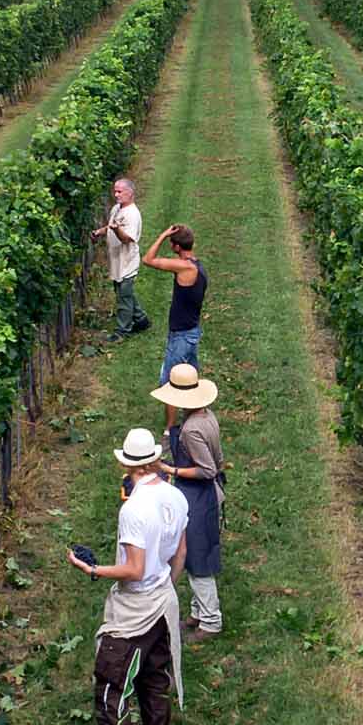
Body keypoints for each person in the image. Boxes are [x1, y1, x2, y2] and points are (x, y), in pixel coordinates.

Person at [68, 427, 187, 725]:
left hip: (134, 610)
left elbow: (133, 570)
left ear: (125, 464)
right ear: (153, 460)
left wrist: (93, 569)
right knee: (154, 681)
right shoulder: (175, 495)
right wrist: (164, 586)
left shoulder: (133, 509)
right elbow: (180, 554)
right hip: (163, 604)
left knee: (110, 691)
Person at [153, 363, 225, 641]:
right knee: (199, 551)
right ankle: (198, 612)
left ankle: (210, 621)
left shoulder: (191, 431)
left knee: (197, 558)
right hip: (206, 494)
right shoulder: (207, 416)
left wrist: (170, 470)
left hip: (198, 496)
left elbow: (206, 469)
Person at [144, 223, 206, 390]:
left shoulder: (184, 267)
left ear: (177, 246)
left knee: (168, 385)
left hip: (181, 335)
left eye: (171, 242)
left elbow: (148, 259)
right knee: (191, 381)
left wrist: (163, 235)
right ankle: (196, 414)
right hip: (192, 330)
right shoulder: (196, 265)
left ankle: (171, 418)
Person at [91, 178, 151, 343]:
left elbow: (126, 239)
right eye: (115, 191)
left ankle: (121, 331)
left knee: (123, 296)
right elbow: (111, 226)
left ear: (130, 193)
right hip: (117, 260)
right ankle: (141, 320)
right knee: (124, 293)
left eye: (119, 191)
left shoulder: (133, 214)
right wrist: (99, 232)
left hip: (127, 261)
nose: (116, 194)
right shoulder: (117, 208)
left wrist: (117, 230)